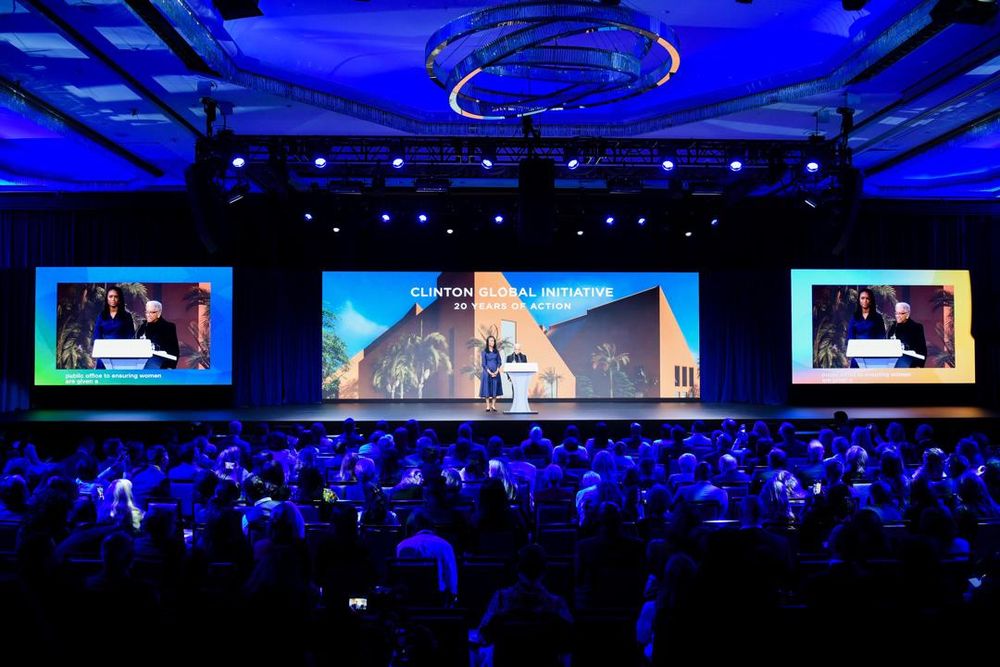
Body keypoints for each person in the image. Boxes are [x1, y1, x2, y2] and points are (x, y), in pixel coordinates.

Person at [92, 285, 136, 369]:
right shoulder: (102, 316)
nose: (113, 299)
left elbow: (131, 335)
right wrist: (102, 348)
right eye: (110, 296)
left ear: (119, 299)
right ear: (107, 299)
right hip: (104, 351)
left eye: (116, 297)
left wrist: (124, 349)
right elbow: (97, 335)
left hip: (122, 351)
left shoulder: (127, 316)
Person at [846, 287, 886, 367]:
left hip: (873, 354)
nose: (865, 301)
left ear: (871, 301)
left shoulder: (878, 317)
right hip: (857, 354)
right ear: (859, 300)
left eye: (867, 298)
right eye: (862, 298)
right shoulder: (854, 317)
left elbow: (882, 337)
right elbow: (850, 336)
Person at [135, 300, 179, 369]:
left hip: (162, 367)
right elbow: (134, 343)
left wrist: (170, 367)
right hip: (142, 367)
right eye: (146, 312)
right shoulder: (142, 327)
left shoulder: (168, 327)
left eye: (151, 312)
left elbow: (174, 350)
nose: (148, 315)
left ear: (159, 313)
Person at [887, 301, 926, 368]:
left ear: (907, 314)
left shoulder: (916, 327)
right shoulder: (892, 327)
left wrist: (919, 366)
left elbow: (922, 349)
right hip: (893, 365)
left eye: (900, 313)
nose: (897, 316)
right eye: (896, 313)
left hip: (911, 365)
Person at [480, 334, 503, 413]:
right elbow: (483, 364)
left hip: (496, 372)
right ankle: (487, 406)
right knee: (487, 389)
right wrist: (490, 372)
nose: (492, 342)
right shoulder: (484, 352)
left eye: (493, 341)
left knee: (495, 388)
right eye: (491, 341)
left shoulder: (496, 352)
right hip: (487, 373)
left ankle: (493, 405)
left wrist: (497, 371)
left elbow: (499, 361)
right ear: (488, 342)